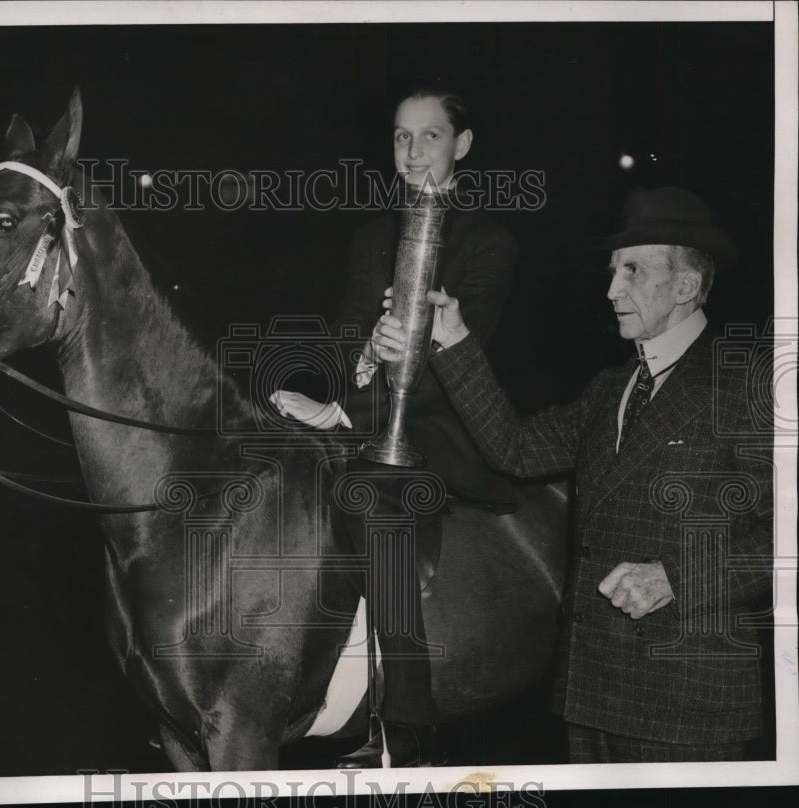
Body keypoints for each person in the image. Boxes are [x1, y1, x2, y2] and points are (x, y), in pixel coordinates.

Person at [372, 186, 773, 763]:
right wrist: (452, 340)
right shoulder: (612, 387)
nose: (612, 291)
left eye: (633, 271)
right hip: (591, 694)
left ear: (685, 286)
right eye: (613, 271)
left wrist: (676, 579)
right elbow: (515, 449)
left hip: (687, 706)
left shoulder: (746, 384)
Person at [272, 86, 518, 768]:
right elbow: (351, 331)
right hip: (369, 413)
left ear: (462, 146)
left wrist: (410, 347)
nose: (411, 153)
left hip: (446, 422)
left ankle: (404, 723)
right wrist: (353, 373)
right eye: (401, 138)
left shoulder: (489, 241)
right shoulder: (371, 236)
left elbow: (470, 357)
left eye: (429, 136)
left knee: (372, 502)